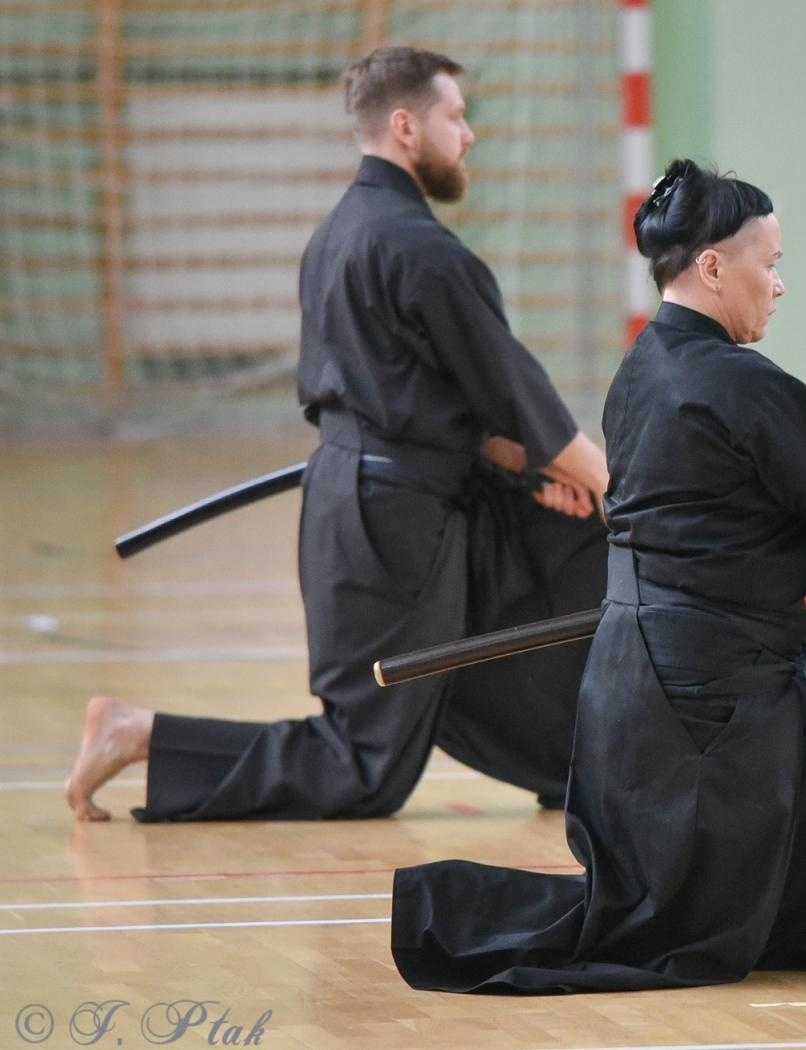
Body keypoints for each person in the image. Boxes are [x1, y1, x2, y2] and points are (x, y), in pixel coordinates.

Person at [389, 159, 806, 994]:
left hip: (640, 683)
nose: (779, 286)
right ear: (713, 266)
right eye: (770, 263)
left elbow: (779, 528)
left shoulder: (642, 370)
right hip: (715, 697)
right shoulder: (744, 386)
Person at [65, 46, 609, 822]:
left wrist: (535, 472)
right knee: (364, 767)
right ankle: (141, 733)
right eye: (455, 117)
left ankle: (579, 764)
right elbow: (538, 420)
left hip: (381, 498)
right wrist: (632, 500)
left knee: (549, 589)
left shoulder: (336, 238)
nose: (469, 135)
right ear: (403, 126)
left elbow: (443, 409)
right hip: (392, 518)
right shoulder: (425, 254)